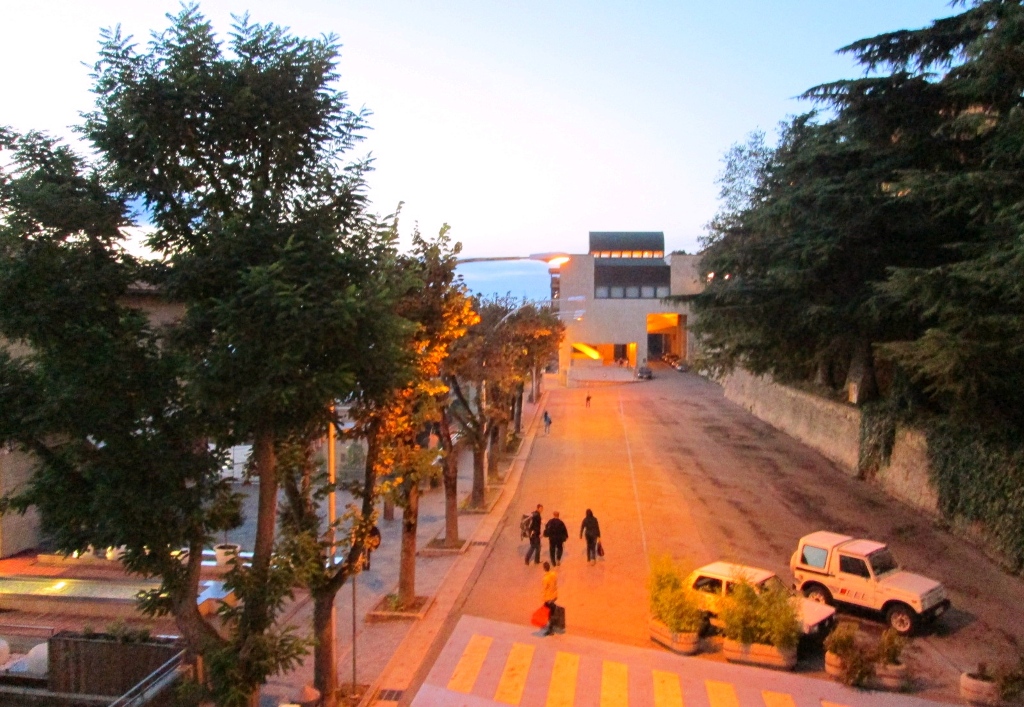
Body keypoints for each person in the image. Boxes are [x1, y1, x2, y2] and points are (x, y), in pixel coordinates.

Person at [541, 561, 558, 636]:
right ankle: (552, 626)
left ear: (544, 568)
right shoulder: (554, 574)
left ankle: (551, 629)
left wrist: (543, 598)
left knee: (548, 613)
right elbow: (555, 583)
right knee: (551, 611)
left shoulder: (545, 578)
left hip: (548, 597)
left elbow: (544, 589)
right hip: (554, 595)